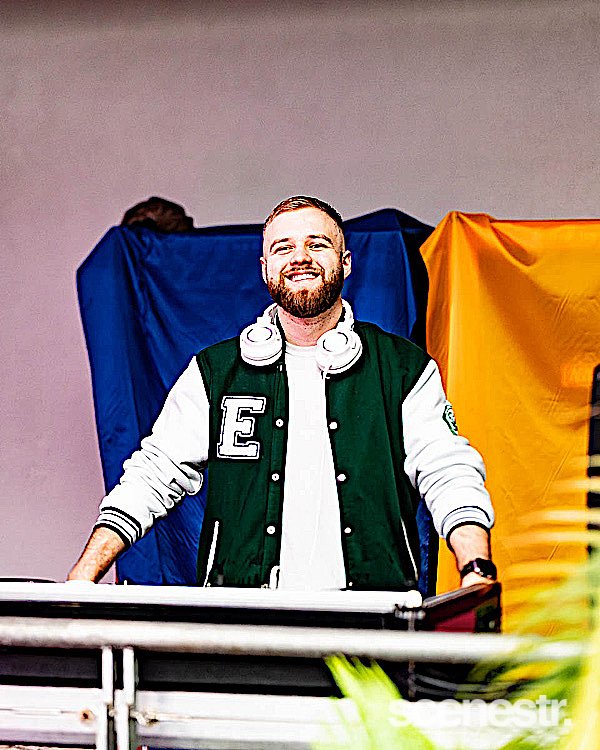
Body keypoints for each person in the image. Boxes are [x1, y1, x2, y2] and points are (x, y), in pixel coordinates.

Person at [69, 196, 496, 590]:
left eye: (317, 244)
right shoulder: (215, 372)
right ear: (264, 268)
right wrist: (82, 578)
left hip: (373, 621)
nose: (300, 257)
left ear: (346, 263)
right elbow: (152, 475)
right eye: (283, 248)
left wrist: (476, 570)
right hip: (245, 625)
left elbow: (448, 470)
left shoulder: (402, 367)